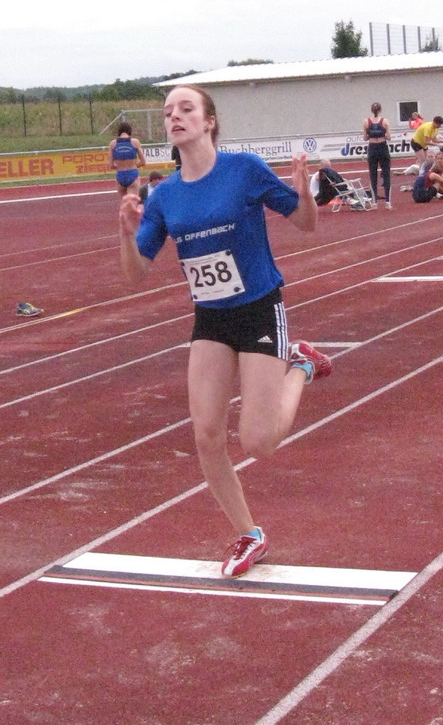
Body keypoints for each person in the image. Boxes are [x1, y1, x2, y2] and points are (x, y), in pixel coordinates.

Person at [119, 84, 332, 578]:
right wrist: (125, 236)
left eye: (185, 108)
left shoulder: (245, 170)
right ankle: (249, 533)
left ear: (209, 121)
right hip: (211, 318)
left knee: (258, 443)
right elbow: (135, 273)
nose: (174, 117)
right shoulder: (165, 195)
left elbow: (305, 223)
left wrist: (304, 194)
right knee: (207, 433)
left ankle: (300, 366)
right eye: (168, 112)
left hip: (259, 310)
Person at [363, 102, 392, 209]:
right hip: (382, 147)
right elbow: (389, 137)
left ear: (371, 110)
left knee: (373, 175)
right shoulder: (385, 121)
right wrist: (382, 134)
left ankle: (374, 203)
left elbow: (365, 138)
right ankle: (388, 202)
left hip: (372, 148)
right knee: (386, 174)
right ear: (380, 110)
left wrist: (372, 134)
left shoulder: (366, 122)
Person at [108, 123, 146, 198]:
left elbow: (111, 165)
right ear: (129, 131)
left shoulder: (113, 144)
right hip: (132, 173)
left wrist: (120, 166)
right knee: (133, 202)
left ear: (119, 131)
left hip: (120, 174)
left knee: (124, 203)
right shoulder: (135, 142)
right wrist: (134, 166)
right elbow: (143, 162)